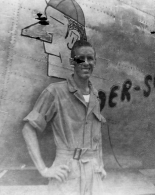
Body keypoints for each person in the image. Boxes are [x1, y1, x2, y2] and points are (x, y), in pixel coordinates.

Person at [22, 40, 106, 195]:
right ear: (72, 61)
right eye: (81, 58)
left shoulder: (95, 96)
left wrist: (100, 164)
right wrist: (44, 169)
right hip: (67, 172)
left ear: (95, 61)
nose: (86, 63)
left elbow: (97, 135)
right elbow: (28, 129)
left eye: (90, 58)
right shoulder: (55, 92)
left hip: (93, 175)